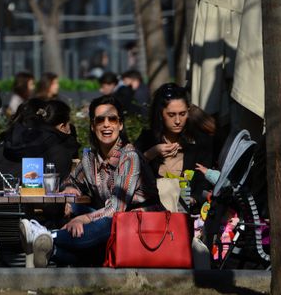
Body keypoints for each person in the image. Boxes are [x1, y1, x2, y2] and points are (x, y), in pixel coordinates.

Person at [19, 95, 163, 267]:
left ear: (120, 125)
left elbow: (117, 209)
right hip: (110, 221)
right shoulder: (90, 159)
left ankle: (44, 236)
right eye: (100, 120)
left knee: (108, 222)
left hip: (140, 225)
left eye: (112, 119)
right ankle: (51, 249)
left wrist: (83, 219)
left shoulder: (129, 157)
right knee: (73, 209)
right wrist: (70, 190)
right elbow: (69, 181)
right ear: (93, 126)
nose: (107, 124)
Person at [134, 83, 214, 213]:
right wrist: (151, 153)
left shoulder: (199, 142)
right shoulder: (147, 139)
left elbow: (203, 183)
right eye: (171, 115)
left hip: (187, 215)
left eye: (182, 114)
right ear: (160, 114)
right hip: (150, 214)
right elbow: (128, 173)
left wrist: (192, 199)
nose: (178, 120)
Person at [0, 98, 79, 186]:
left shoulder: (3, 146)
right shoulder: (56, 151)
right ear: (62, 126)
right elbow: (52, 195)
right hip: (23, 204)